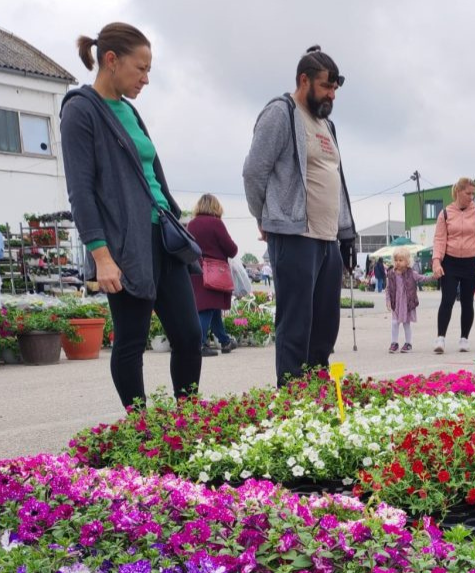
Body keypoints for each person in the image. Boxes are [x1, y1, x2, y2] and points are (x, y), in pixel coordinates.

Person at [61, 22, 202, 411]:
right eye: (140, 69)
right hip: (125, 245)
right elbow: (81, 190)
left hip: (163, 238)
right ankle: (140, 427)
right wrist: (100, 255)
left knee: (189, 335)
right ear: (111, 60)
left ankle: (188, 419)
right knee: (131, 340)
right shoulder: (81, 111)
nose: (146, 78)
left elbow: (151, 175)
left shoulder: (130, 111)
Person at [243, 45, 358, 385]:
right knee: (296, 324)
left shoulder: (327, 125)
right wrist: (263, 217)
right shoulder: (281, 113)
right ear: (303, 80)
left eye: (335, 88)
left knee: (325, 325)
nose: (331, 95)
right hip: (295, 235)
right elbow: (254, 171)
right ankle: (292, 398)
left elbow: (337, 180)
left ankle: (317, 391)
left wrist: (346, 232)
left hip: (327, 238)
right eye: (325, 86)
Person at [431, 177, 475, 354]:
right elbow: (439, 239)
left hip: (471, 263)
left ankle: (464, 338)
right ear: (458, 191)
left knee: (467, 302)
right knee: (447, 300)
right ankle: (440, 337)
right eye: (468, 193)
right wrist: (436, 261)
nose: (471, 197)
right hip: (450, 262)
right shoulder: (445, 213)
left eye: (473, 194)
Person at [187, 193, 239, 357]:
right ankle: (200, 345)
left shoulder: (192, 224)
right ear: (216, 207)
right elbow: (231, 249)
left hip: (196, 270)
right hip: (214, 271)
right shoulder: (216, 224)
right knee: (207, 309)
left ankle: (224, 341)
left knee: (211, 307)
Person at [385, 247, 434, 353]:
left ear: (407, 261)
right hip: (396, 303)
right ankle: (394, 343)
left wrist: (433, 277)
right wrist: (388, 301)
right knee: (394, 323)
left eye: (400, 260)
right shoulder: (391, 274)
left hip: (407, 303)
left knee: (406, 323)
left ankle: (408, 343)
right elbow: (388, 289)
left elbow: (422, 278)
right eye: (396, 260)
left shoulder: (412, 273)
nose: (397, 262)